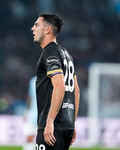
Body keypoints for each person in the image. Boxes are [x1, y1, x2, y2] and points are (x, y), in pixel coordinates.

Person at [31, 13, 80, 150]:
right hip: (67, 126)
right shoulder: (67, 55)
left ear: (47, 30)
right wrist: (72, 122)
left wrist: (50, 121)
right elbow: (75, 90)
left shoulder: (50, 52)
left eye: (36, 25)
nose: (32, 29)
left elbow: (59, 86)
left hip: (53, 126)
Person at [23, 76, 37, 150]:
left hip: (46, 115)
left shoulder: (52, 78)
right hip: (33, 114)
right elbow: (30, 97)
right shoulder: (33, 80)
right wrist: (26, 112)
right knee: (29, 137)